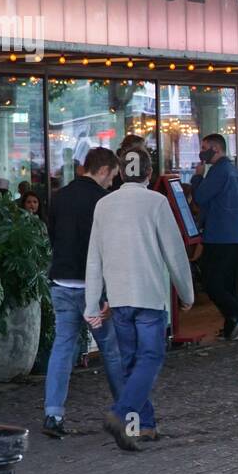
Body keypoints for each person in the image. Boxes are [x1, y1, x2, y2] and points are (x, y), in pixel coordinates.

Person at [85, 146, 194, 452]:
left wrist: (92, 303)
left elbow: (95, 258)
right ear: (149, 173)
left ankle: (143, 425)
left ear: (120, 172)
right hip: (148, 294)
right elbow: (175, 253)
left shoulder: (104, 205)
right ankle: (121, 414)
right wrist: (187, 293)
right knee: (152, 356)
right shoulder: (157, 202)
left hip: (118, 297)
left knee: (131, 362)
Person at [41, 146, 125, 439]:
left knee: (62, 348)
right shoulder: (105, 201)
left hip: (62, 283)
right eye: (112, 176)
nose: (112, 182)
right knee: (110, 351)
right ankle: (125, 412)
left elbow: (52, 235)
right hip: (94, 289)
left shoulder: (59, 197)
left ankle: (53, 413)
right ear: (103, 170)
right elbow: (111, 250)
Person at [193, 132, 238, 340]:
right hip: (236, 235)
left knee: (212, 282)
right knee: (228, 282)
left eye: (204, 147)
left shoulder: (219, 172)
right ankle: (231, 328)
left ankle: (236, 311)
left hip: (219, 236)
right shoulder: (235, 172)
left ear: (215, 149)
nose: (201, 153)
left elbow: (201, 197)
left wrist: (198, 176)